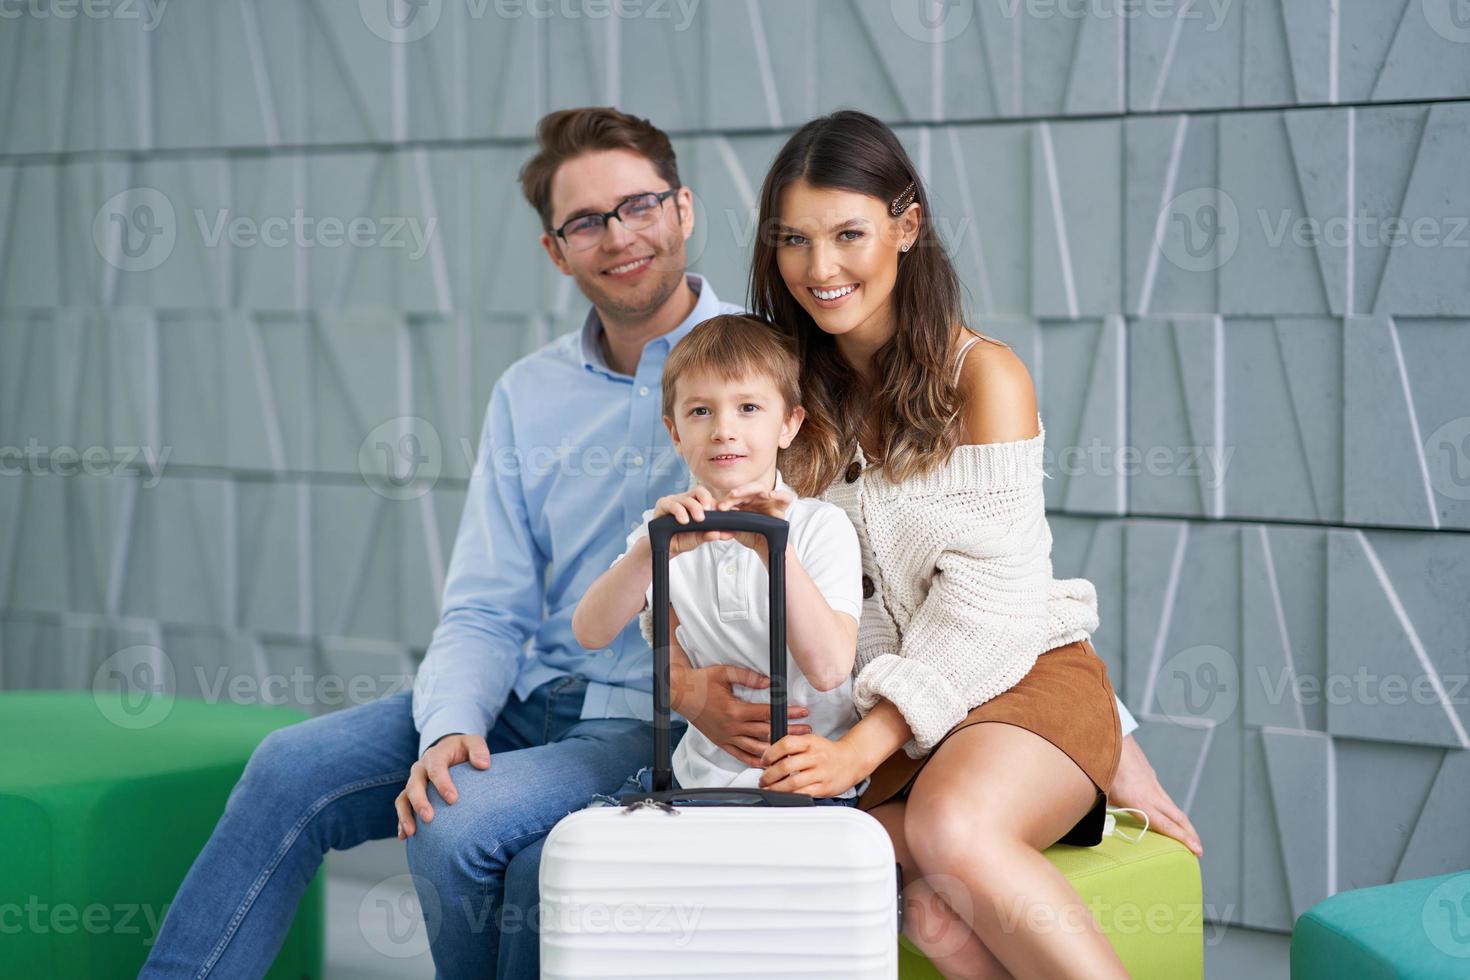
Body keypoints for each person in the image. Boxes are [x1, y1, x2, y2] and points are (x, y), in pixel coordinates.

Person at [741, 108, 1134, 977]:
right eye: (793, 240)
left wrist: (860, 746)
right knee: (909, 899)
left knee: (950, 830)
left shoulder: (982, 378)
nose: (821, 268)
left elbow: (991, 609)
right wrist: (690, 682)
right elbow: (740, 563)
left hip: (1018, 684)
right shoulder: (777, 392)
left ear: (906, 225)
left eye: (849, 233)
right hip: (901, 738)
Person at [573, 314, 867, 805]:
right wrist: (650, 550)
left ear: (789, 425)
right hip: (695, 780)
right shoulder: (664, 530)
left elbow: (830, 669)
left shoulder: (820, 526)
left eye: (749, 407)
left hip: (805, 784)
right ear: (674, 432)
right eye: (701, 412)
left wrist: (774, 549)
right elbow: (590, 631)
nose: (724, 430)